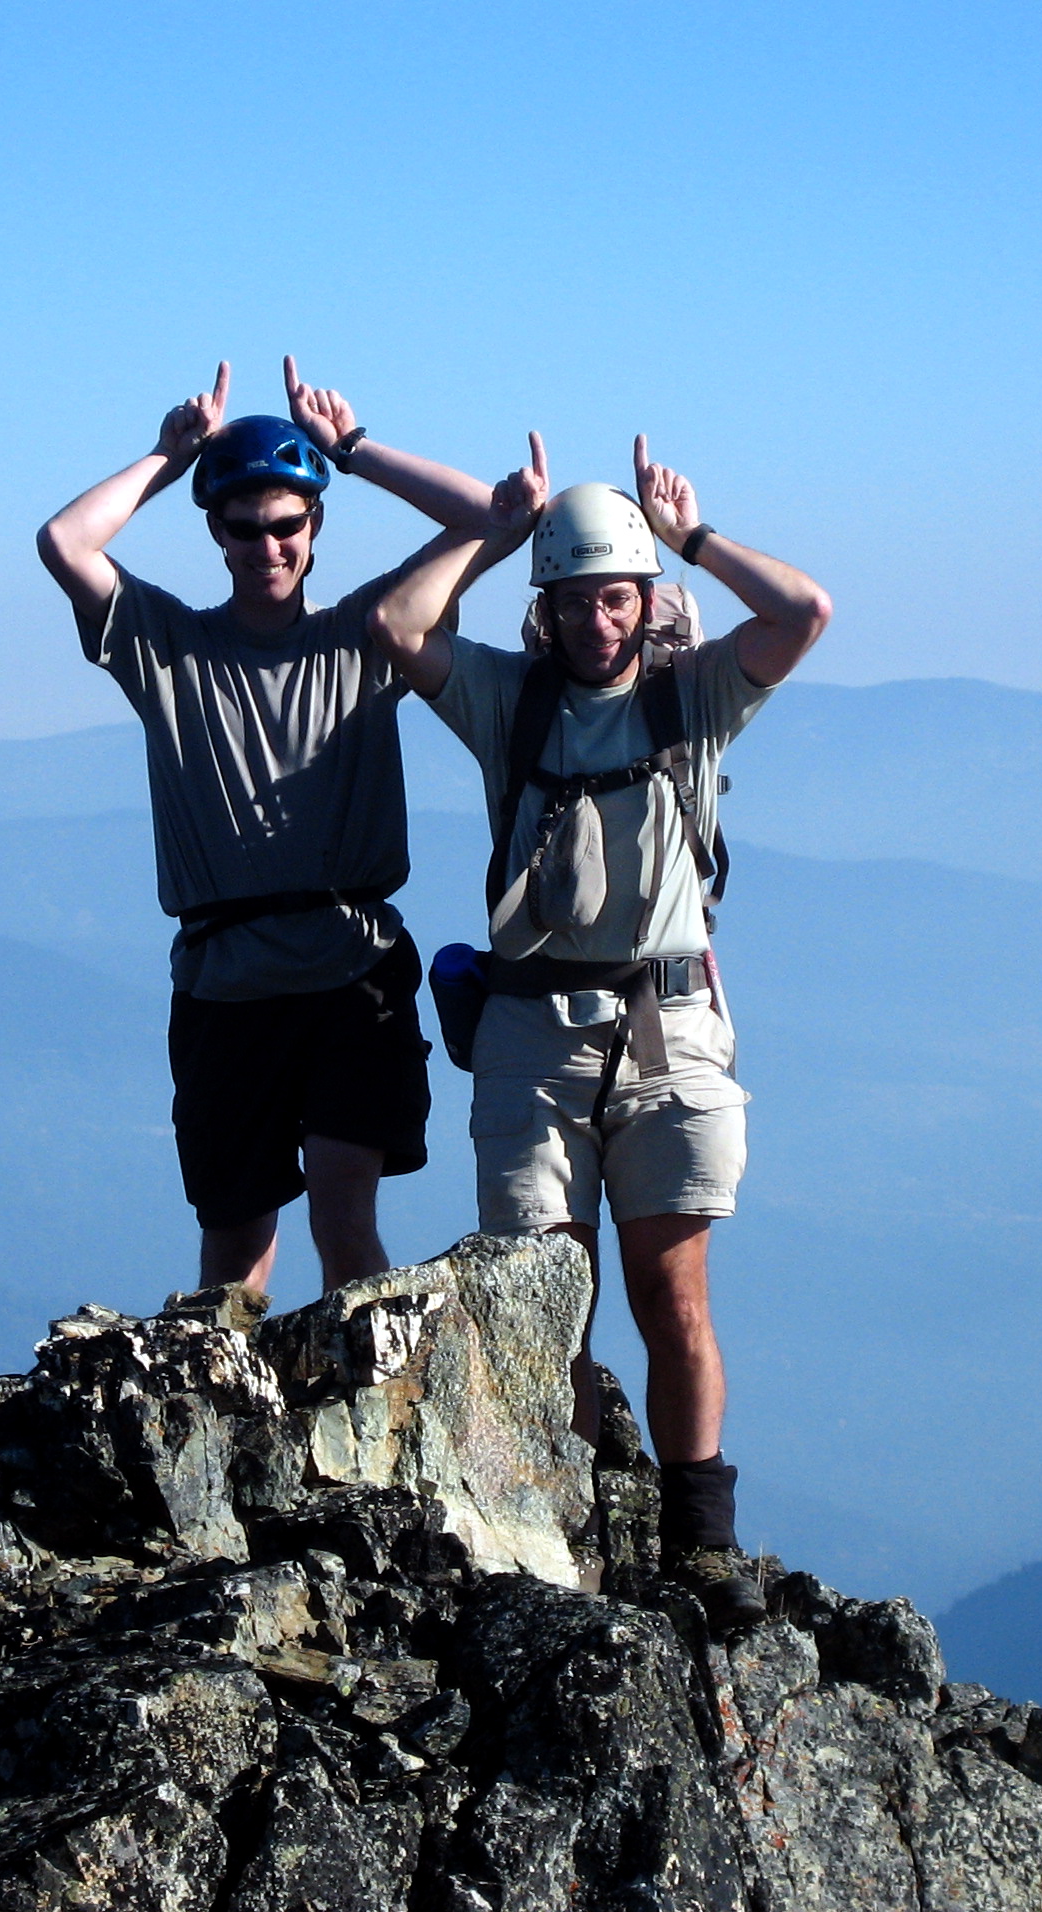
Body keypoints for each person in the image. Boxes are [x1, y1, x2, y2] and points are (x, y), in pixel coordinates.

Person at [367, 432, 833, 1630]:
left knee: (673, 1298)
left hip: (667, 1029)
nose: (598, 620)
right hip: (534, 1032)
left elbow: (806, 612)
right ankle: (569, 1532)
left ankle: (702, 1543)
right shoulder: (508, 702)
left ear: (645, 598)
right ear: (549, 608)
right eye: (575, 599)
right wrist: (494, 534)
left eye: (617, 595)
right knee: (544, 1307)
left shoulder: (695, 695)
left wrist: (695, 538)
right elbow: (397, 629)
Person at [37, 360, 493, 1299]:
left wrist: (354, 448)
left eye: (287, 524)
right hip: (226, 982)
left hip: (350, 970)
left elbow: (491, 516)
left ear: (315, 525)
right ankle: (238, 1394)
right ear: (216, 533)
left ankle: (364, 1385)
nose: (267, 545)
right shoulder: (170, 647)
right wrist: (169, 458)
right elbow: (64, 542)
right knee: (234, 1245)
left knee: (343, 1214)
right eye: (244, 527)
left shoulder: (371, 632)